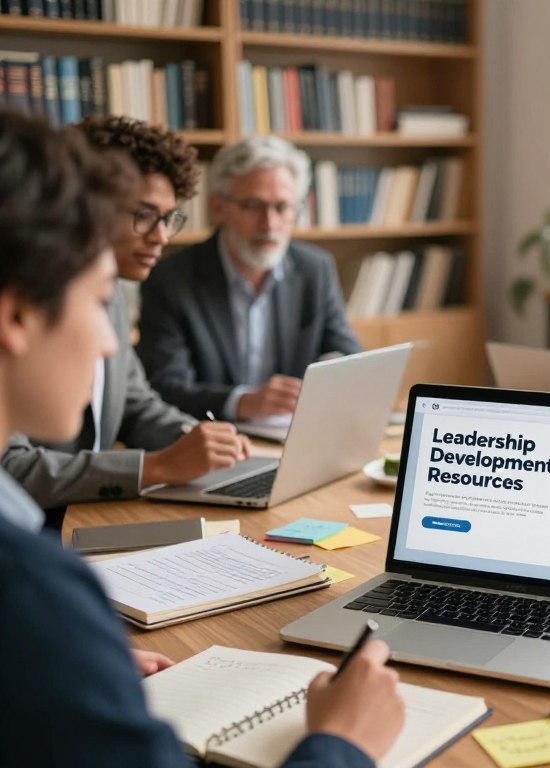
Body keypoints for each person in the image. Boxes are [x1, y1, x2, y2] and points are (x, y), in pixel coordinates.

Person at [0, 109, 405, 768]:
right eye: (92, 297)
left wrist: (77, 659)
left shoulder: (40, 607)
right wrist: (341, 744)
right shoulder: (33, 591)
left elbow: (136, 397)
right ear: (18, 313)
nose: (107, 342)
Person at [1, 116, 248, 517]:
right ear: (89, 204)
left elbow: (135, 404)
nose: (161, 237)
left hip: (90, 512)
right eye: (145, 214)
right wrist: (155, 467)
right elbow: (7, 467)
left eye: (168, 218)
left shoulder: (112, 293)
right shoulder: (28, 296)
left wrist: (197, 438)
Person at [136, 135, 362, 421]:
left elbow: (349, 356)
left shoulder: (314, 269)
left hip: (293, 434)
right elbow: (164, 388)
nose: (269, 224)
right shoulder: (170, 279)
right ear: (219, 208)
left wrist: (333, 372)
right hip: (212, 438)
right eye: (254, 206)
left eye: (282, 207)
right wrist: (241, 402)